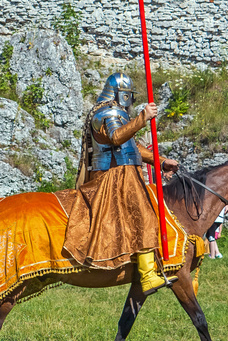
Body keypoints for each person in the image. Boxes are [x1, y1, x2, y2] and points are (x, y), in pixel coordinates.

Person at [63, 72, 179, 295]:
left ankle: (146, 269)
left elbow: (131, 148)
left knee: (143, 214)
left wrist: (161, 162)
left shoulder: (115, 113)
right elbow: (117, 137)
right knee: (143, 214)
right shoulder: (109, 112)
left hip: (125, 174)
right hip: (114, 177)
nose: (131, 101)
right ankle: (147, 275)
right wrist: (143, 118)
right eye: (129, 95)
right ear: (120, 94)